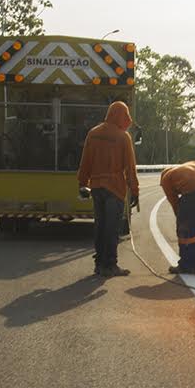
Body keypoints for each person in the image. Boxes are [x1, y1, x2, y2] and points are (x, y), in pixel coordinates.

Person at [77, 101, 139, 277]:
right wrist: (135, 190)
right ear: (122, 115)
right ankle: (110, 265)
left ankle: (99, 264)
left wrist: (82, 183)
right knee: (112, 228)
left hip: (96, 187)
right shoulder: (123, 137)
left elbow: (85, 161)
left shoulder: (93, 133)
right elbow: (130, 167)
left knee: (100, 225)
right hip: (115, 189)